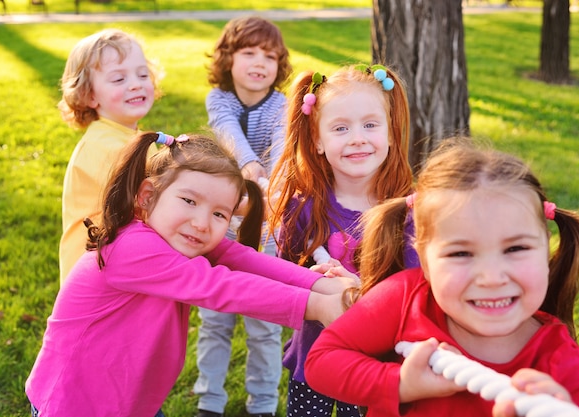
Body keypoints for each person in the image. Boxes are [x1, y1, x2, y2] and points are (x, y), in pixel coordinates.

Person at [25, 131, 354, 417]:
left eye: (218, 213)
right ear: (147, 196)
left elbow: (243, 259)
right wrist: (317, 307)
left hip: (130, 400)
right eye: (188, 200)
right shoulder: (132, 247)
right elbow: (220, 286)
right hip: (77, 403)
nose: (201, 222)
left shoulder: (176, 237)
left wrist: (321, 286)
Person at [304, 139, 579, 417]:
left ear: (544, 247)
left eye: (516, 248)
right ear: (424, 256)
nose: (491, 278)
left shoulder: (564, 373)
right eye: (461, 254)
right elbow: (322, 361)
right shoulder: (406, 298)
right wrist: (401, 384)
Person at [268, 64, 417, 417]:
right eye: (340, 128)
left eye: (370, 124)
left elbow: (414, 292)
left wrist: (358, 287)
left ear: (392, 132)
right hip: (314, 360)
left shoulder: (407, 213)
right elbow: (285, 276)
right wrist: (311, 275)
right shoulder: (303, 209)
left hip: (373, 365)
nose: (357, 138)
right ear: (318, 140)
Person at [192, 16, 293, 417]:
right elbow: (226, 129)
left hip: (267, 225)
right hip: (220, 224)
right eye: (248, 52)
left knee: (264, 326)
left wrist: (273, 175)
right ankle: (210, 402)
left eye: (269, 56)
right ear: (228, 58)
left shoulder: (282, 105)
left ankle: (263, 406)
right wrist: (249, 167)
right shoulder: (219, 98)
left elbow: (285, 145)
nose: (259, 63)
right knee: (214, 319)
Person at [58, 28, 162, 283]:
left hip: (118, 264)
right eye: (119, 79)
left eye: (142, 74)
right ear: (89, 95)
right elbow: (155, 205)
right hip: (96, 277)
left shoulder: (130, 137)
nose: (136, 83)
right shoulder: (106, 146)